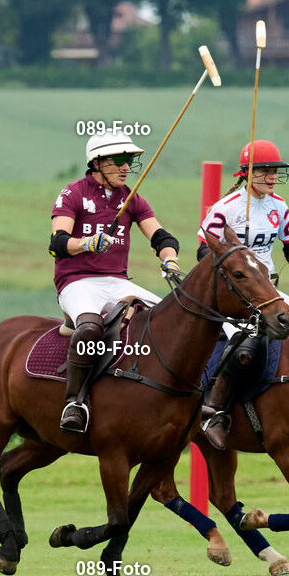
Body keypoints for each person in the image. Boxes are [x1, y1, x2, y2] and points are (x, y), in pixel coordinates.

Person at [49, 129, 181, 434]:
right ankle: (75, 402)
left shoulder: (131, 199)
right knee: (90, 328)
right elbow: (57, 243)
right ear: (96, 162)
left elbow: (162, 237)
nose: (126, 167)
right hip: (77, 281)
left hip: (118, 282)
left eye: (129, 161)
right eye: (119, 160)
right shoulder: (73, 193)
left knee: (174, 318)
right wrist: (87, 243)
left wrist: (170, 260)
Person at [198, 139, 289, 450]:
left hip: (268, 290)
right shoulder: (226, 208)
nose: (273, 176)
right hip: (234, 293)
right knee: (244, 342)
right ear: (247, 173)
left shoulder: (279, 206)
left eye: (275, 171)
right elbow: (203, 252)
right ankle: (214, 411)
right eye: (265, 171)